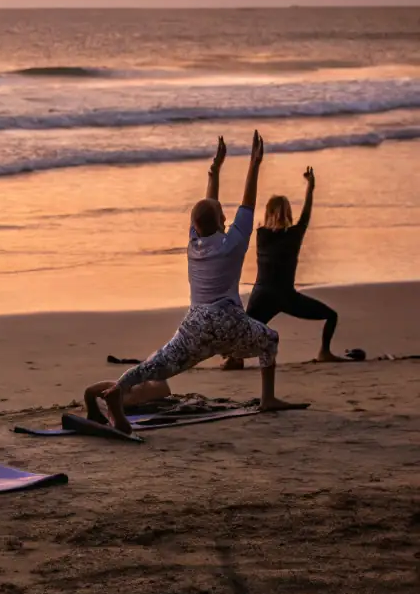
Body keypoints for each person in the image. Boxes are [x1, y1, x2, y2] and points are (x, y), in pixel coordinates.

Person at [94, 132, 299, 435]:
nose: (226, 214)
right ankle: (267, 398)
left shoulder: (193, 243)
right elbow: (248, 202)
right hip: (229, 323)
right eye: (222, 214)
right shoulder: (234, 243)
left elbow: (208, 206)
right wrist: (254, 164)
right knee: (269, 339)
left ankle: (118, 389)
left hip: (195, 325)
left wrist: (214, 172)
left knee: (157, 366)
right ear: (220, 222)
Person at [223, 166, 342, 367]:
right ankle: (324, 351)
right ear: (288, 212)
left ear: (268, 212)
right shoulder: (294, 234)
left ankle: (235, 358)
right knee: (331, 316)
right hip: (286, 296)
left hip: (262, 295)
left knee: (244, 330)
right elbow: (306, 214)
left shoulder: (261, 234)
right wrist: (310, 187)